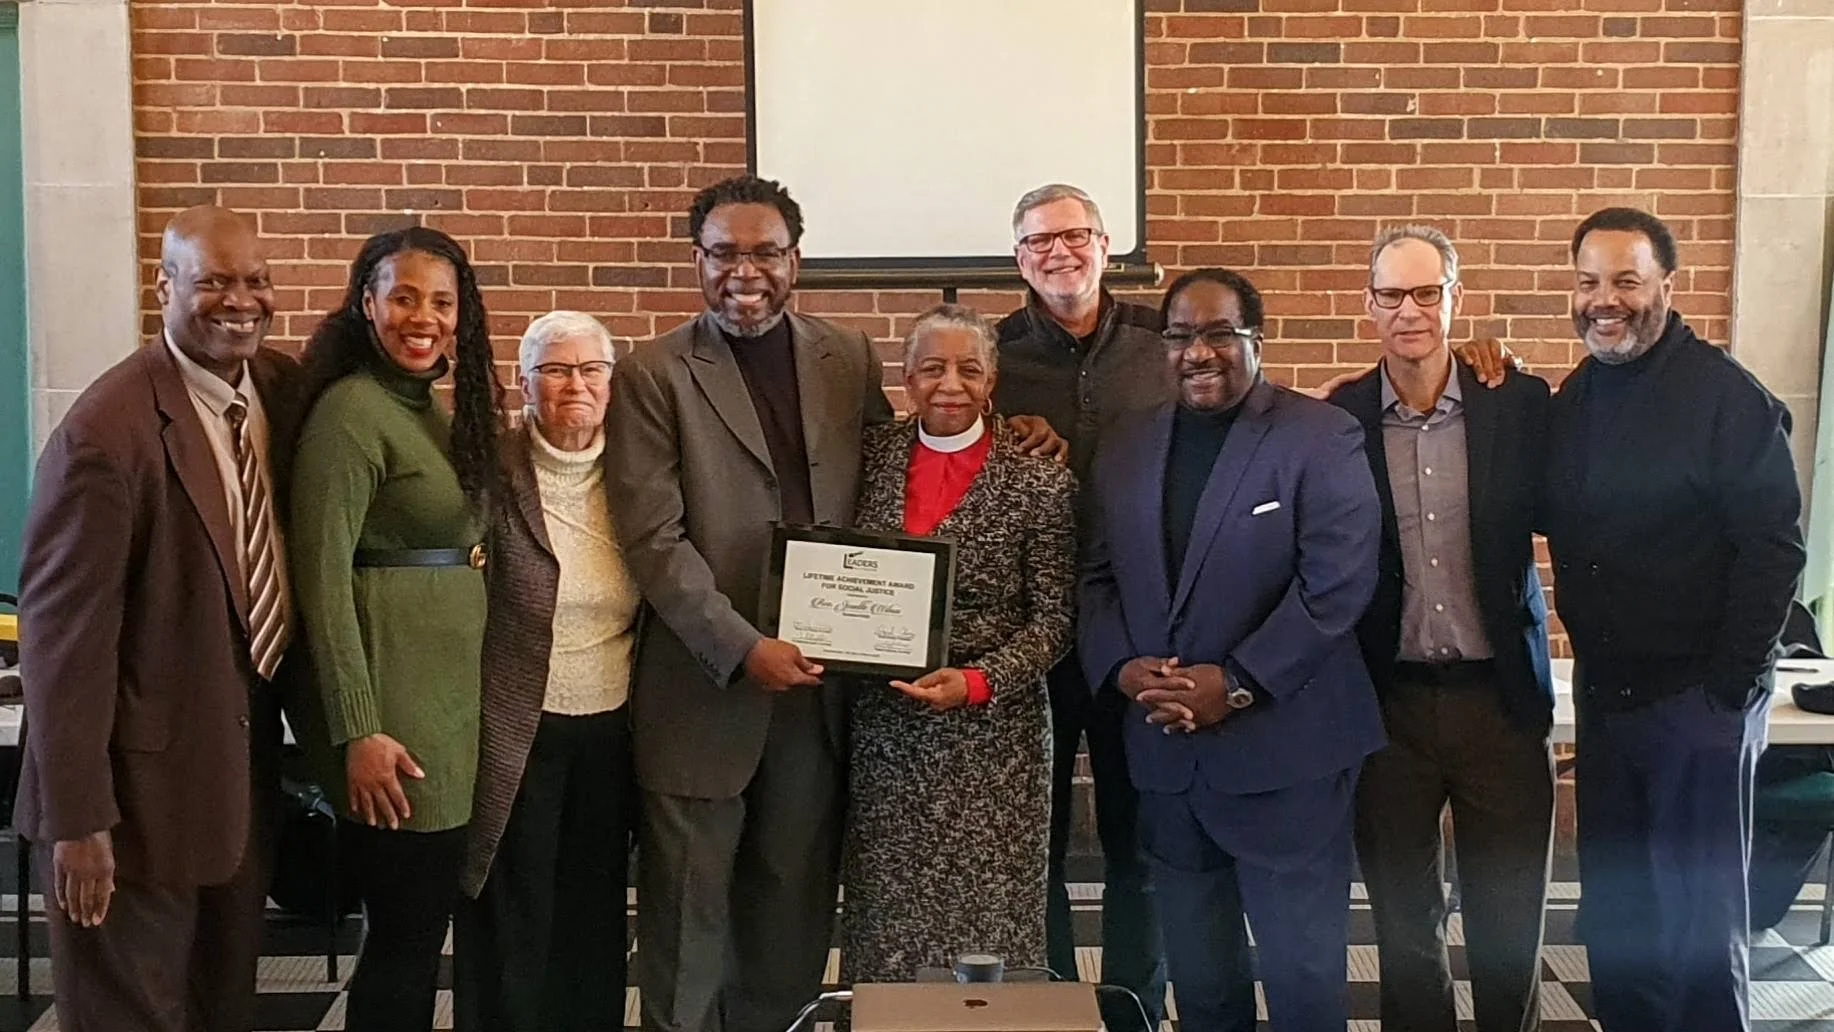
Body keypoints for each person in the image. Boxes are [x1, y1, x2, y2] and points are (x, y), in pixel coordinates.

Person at [606, 175, 895, 1032]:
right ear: (698, 260)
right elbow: (652, 539)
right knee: (686, 928)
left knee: (794, 915)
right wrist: (741, 646)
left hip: (820, 690)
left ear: (794, 259)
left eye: (765, 252)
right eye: (724, 252)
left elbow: (890, 490)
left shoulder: (850, 357)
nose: (745, 271)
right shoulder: (652, 371)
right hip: (703, 692)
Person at [14, 206, 303, 1032]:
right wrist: (78, 822)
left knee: (219, 1007)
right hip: (127, 808)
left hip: (230, 780)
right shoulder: (107, 434)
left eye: (254, 280)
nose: (238, 300)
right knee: (127, 1015)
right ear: (165, 286)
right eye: (212, 281)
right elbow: (63, 644)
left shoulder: (276, 392)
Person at [1080, 268, 1384, 1031]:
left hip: (1288, 762)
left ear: (1256, 339)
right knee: (1204, 987)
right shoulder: (1126, 445)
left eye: (1219, 333)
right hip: (1168, 764)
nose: (1198, 353)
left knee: (1304, 984)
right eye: (1180, 336)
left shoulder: (1321, 436)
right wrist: (1121, 668)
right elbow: (1094, 576)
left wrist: (1239, 682)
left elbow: (1336, 585)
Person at [1544, 208, 1804, 1032]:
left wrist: (1728, 687)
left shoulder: (1727, 398)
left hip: (1697, 701)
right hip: (1610, 700)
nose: (1604, 300)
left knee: (1697, 927)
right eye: (1588, 282)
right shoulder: (1581, 392)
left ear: (1666, 284)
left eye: (1626, 279)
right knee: (1621, 918)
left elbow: (1774, 552)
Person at [1327, 226, 1554, 1032]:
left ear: (1456, 298)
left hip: (1501, 700)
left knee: (1508, 925)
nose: (1410, 310)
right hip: (1388, 706)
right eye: (1392, 293)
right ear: (1369, 305)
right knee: (1404, 929)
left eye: (1428, 292)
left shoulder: (1518, 403)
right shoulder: (1341, 417)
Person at [290, 226, 502, 1032]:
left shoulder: (431, 411)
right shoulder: (351, 413)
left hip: (445, 717)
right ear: (367, 302)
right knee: (406, 942)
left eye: (442, 302)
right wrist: (358, 730)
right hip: (394, 726)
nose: (425, 317)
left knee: (418, 934)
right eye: (404, 296)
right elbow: (321, 582)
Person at [843, 304, 1075, 986]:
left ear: (993, 380)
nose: (950, 384)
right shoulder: (871, 456)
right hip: (887, 728)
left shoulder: (1039, 475)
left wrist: (976, 682)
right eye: (932, 369)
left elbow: (1056, 621)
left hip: (996, 738)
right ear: (906, 378)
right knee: (888, 916)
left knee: (991, 919)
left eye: (968, 369)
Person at [992, 183, 1167, 1021]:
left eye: (1073, 236)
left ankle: (1137, 999)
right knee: (1039, 835)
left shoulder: (1165, 340)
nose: (1056, 254)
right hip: (1038, 629)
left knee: (1143, 830)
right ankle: (1054, 1001)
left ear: (1107, 244)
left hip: (1147, 621)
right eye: (1036, 243)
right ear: (1018, 258)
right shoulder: (992, 354)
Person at [454, 311, 637, 1032]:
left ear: (612, 383)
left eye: (591, 370)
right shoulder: (488, 471)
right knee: (511, 912)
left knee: (592, 916)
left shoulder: (637, 473)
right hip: (514, 726)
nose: (575, 386)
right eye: (555, 370)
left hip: (612, 726)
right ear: (525, 384)